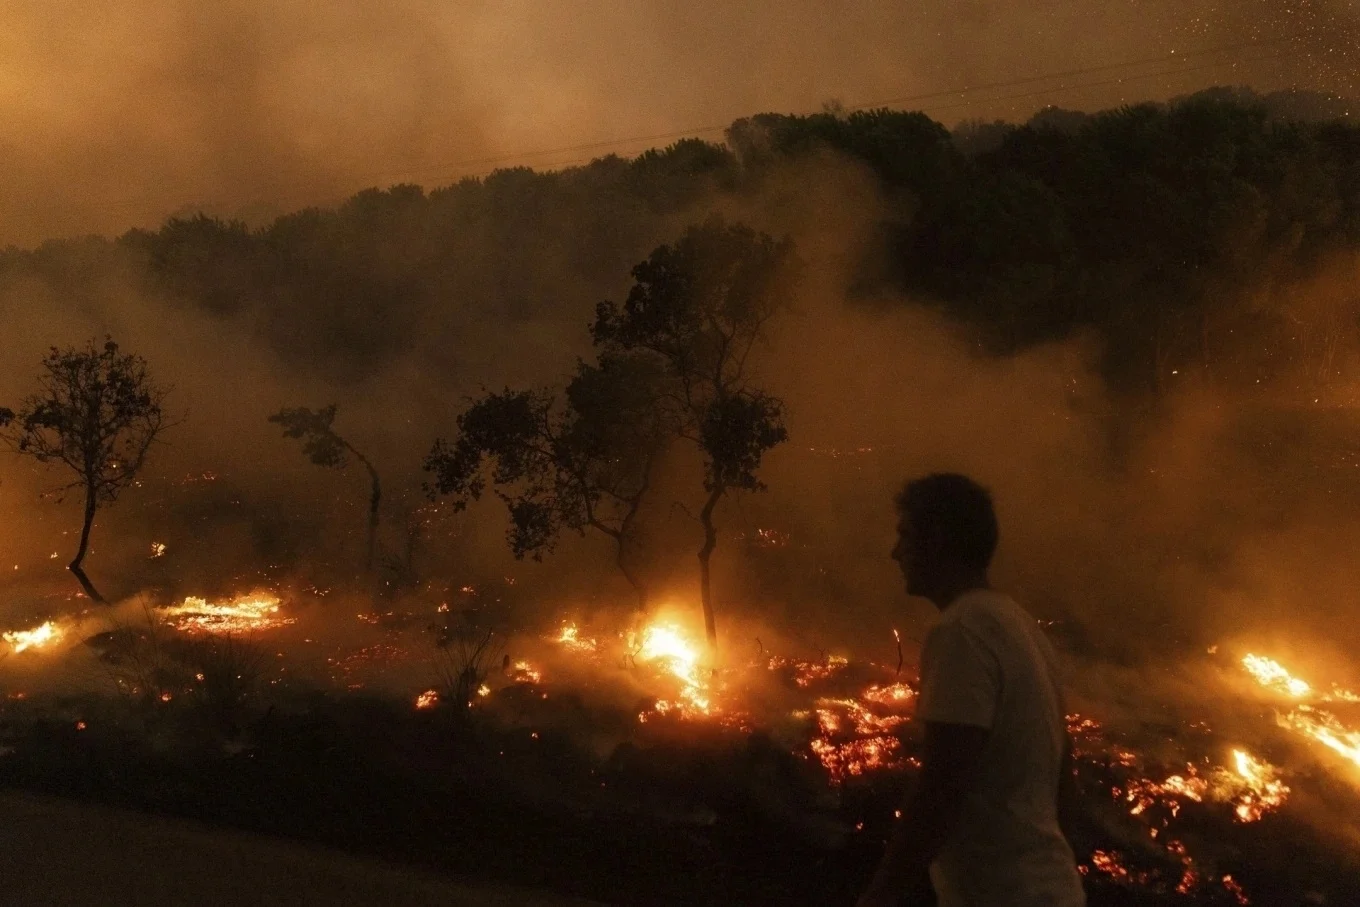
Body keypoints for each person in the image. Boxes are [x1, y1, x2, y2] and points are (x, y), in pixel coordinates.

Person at [858, 473, 1085, 907]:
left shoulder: (962, 630)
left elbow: (941, 788)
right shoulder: (1020, 627)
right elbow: (1064, 784)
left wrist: (879, 898)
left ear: (938, 540)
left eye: (905, 535)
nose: (895, 552)